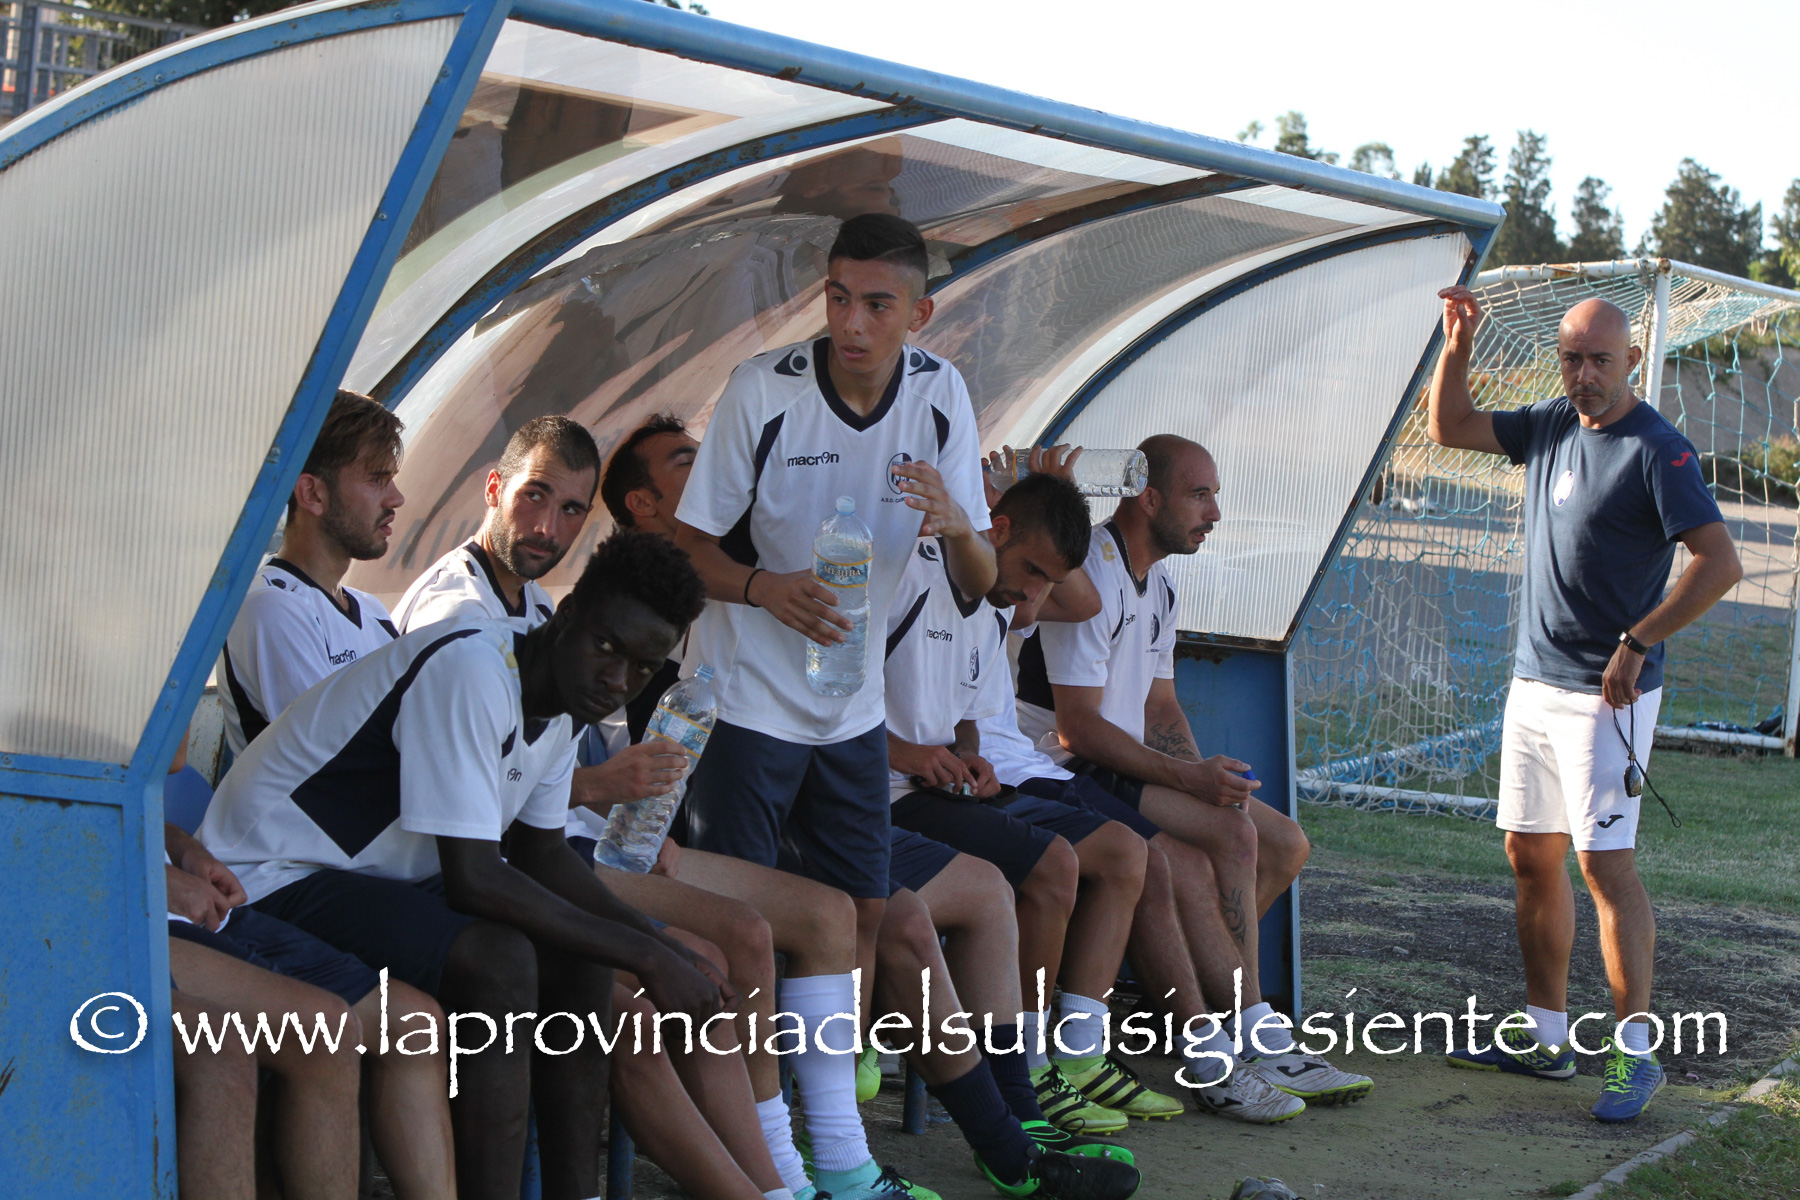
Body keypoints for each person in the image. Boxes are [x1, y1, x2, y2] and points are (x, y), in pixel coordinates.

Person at [412, 415, 895, 1200]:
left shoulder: (544, 613)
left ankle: (810, 1167)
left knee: (817, 917)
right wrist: (605, 806)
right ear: (494, 488)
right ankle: (773, 1184)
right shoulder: (459, 622)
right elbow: (470, 822)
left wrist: (615, 829)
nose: (551, 526)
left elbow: (535, 806)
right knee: (679, 967)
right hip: (468, 862)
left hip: (573, 841)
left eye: (572, 508)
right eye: (536, 496)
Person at [202, 531, 734, 1200]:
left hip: (365, 877)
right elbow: (475, 878)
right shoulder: (473, 667)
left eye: (642, 669)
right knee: (500, 962)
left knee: (582, 957)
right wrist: (649, 956)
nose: (616, 680)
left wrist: (665, 949)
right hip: (270, 873)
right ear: (566, 614)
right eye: (607, 647)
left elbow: (542, 854)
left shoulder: (562, 699)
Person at [672, 213, 994, 1200]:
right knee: (742, 934)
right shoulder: (762, 390)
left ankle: (838, 1160)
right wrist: (762, 587)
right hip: (743, 705)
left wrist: (957, 525)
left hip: (850, 711)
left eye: (878, 305)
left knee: (858, 919)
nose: (852, 323)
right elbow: (685, 553)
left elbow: (981, 583)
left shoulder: (941, 395)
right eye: (839, 298)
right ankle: (770, 1162)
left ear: (919, 315)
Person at [1428, 288, 1742, 1121]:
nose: (1584, 374)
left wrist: (1639, 640)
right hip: (1532, 684)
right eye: (1572, 358)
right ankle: (1546, 1037)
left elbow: (1720, 564)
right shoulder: (1550, 424)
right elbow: (1449, 427)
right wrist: (1457, 343)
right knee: (1530, 856)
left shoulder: (1659, 450)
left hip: (1608, 697)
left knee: (1606, 867)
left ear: (1631, 361)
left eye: (1600, 360)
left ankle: (1636, 1054)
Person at [1015, 435, 1369, 1113]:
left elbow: (1160, 706)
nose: (1214, 513)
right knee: (1193, 855)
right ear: (1149, 499)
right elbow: (1076, 730)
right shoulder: (1090, 568)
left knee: (1278, 840)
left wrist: (1207, 776)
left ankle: (1226, 1014)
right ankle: (1221, 1038)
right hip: (1064, 763)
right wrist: (1187, 783)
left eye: (1215, 495)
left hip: (1110, 757)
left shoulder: (1162, 585)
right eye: (1199, 495)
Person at [882, 477, 1179, 1131]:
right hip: (874, 793)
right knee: (1045, 868)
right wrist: (911, 755)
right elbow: (829, 711)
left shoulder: (992, 607)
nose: (1033, 596)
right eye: (1032, 572)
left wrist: (967, 756)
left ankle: (1058, 1058)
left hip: (931, 789)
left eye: (1050, 581)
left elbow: (965, 717)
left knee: (1109, 855)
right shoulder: (907, 576)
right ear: (997, 531)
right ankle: (1023, 1069)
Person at [219, 389, 405, 755]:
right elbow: (337, 758)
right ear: (312, 494)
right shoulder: (270, 609)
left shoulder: (371, 612)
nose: (396, 498)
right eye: (376, 479)